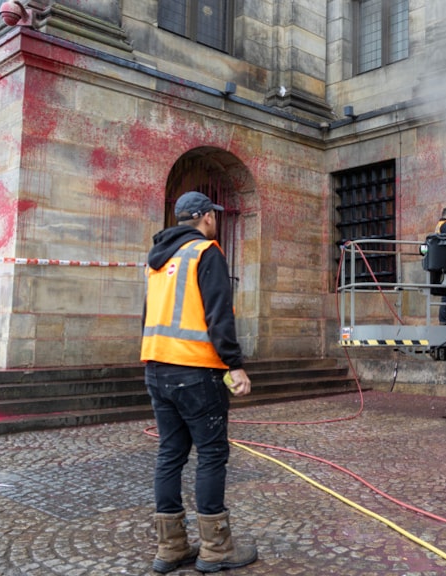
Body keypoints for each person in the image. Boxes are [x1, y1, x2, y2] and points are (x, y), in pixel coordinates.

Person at [141, 191, 258, 574]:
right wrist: (234, 365)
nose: (216, 222)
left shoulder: (157, 258)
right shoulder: (205, 252)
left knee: (170, 454)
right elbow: (218, 312)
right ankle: (216, 547)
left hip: (157, 368)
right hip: (196, 371)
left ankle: (171, 546)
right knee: (210, 454)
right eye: (215, 216)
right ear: (206, 217)